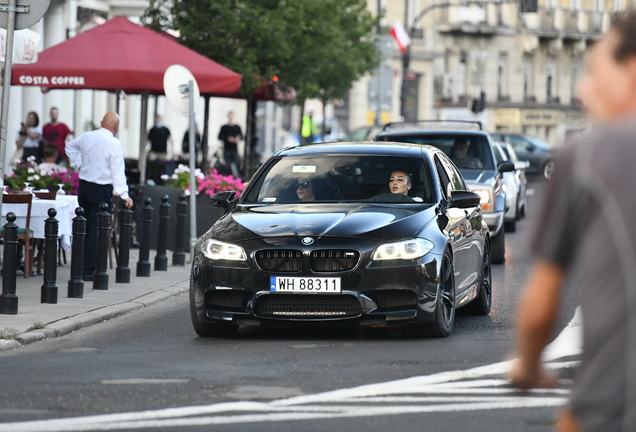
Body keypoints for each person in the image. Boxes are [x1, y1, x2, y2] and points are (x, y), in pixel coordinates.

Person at [507, 11, 636, 432]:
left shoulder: (589, 156)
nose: (583, 91)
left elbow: (540, 302)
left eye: (595, 71)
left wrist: (528, 366)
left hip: (613, 405)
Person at [65, 112, 133, 281]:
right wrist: (124, 194)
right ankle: (89, 270)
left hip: (84, 186)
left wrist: (77, 164)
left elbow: (69, 147)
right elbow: (117, 171)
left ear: (101, 122)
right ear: (116, 127)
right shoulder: (114, 143)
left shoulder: (87, 136)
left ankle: (80, 266)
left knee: (83, 227)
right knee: (97, 230)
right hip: (101, 189)